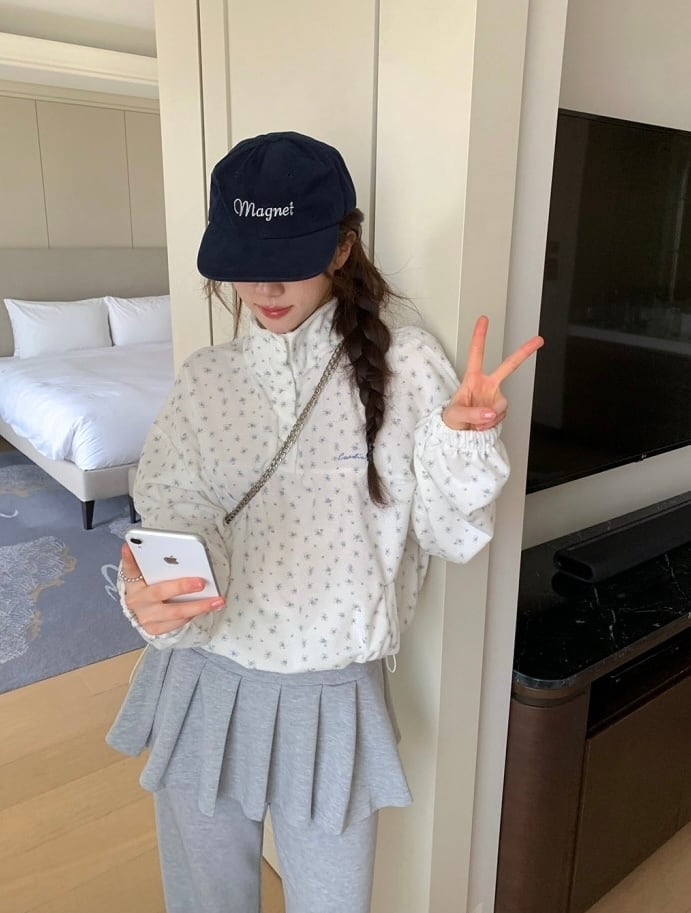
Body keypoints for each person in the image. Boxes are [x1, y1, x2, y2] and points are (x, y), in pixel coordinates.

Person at [107, 131, 543, 913]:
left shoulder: (407, 365)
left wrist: (464, 442)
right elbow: (177, 518)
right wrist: (158, 598)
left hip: (331, 696)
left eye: (289, 258)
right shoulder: (206, 380)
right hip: (204, 681)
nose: (265, 285)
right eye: (245, 260)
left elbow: (449, 536)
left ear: (342, 246)